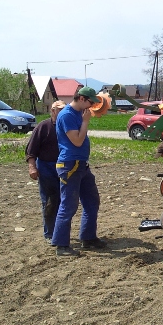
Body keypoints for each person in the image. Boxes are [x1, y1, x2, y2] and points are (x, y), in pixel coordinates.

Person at [51, 86, 107, 257]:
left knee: (92, 200)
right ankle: (61, 245)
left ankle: (88, 238)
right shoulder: (67, 115)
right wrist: (85, 122)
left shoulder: (78, 113)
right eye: (90, 102)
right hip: (70, 164)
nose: (91, 106)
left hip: (81, 164)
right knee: (68, 205)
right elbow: (76, 141)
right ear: (81, 99)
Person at [25, 100, 66, 242]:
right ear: (53, 111)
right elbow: (31, 150)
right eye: (59, 110)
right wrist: (32, 167)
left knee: (63, 201)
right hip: (46, 167)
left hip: (64, 166)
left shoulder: (67, 126)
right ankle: (49, 233)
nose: (62, 112)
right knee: (49, 201)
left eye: (64, 110)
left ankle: (59, 232)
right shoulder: (43, 126)